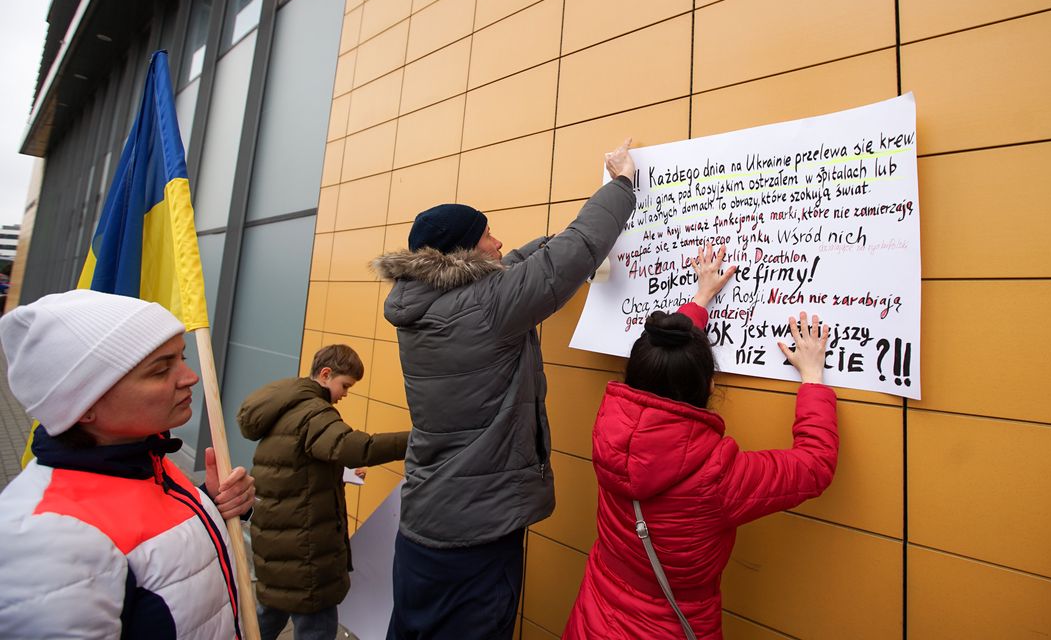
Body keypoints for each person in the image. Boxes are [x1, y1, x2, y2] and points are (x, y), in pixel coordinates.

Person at [372, 139, 638, 639]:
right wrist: (623, 183)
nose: (497, 242)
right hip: (476, 535)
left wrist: (544, 244)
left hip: (425, 529)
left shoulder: (423, 302)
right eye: (488, 235)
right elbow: (570, 254)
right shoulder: (490, 305)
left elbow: (518, 265)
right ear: (463, 253)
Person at [563, 243, 840, 639]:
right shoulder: (718, 476)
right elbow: (814, 466)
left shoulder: (609, 431)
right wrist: (813, 379)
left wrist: (700, 299)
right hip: (669, 628)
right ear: (709, 384)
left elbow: (661, 358)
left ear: (635, 376)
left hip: (594, 616)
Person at [0, 289, 256, 638]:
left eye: (181, 358)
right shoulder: (47, 539)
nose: (189, 377)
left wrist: (210, 503)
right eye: (160, 370)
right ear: (83, 404)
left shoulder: (149, 462)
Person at [237, 343, 410, 640]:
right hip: (304, 552)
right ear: (326, 374)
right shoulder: (314, 413)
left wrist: (338, 472)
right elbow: (359, 448)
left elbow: (294, 463)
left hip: (279, 544)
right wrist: (415, 440)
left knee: (269, 614)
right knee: (316, 626)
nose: (345, 394)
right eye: (345, 385)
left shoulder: (289, 404)